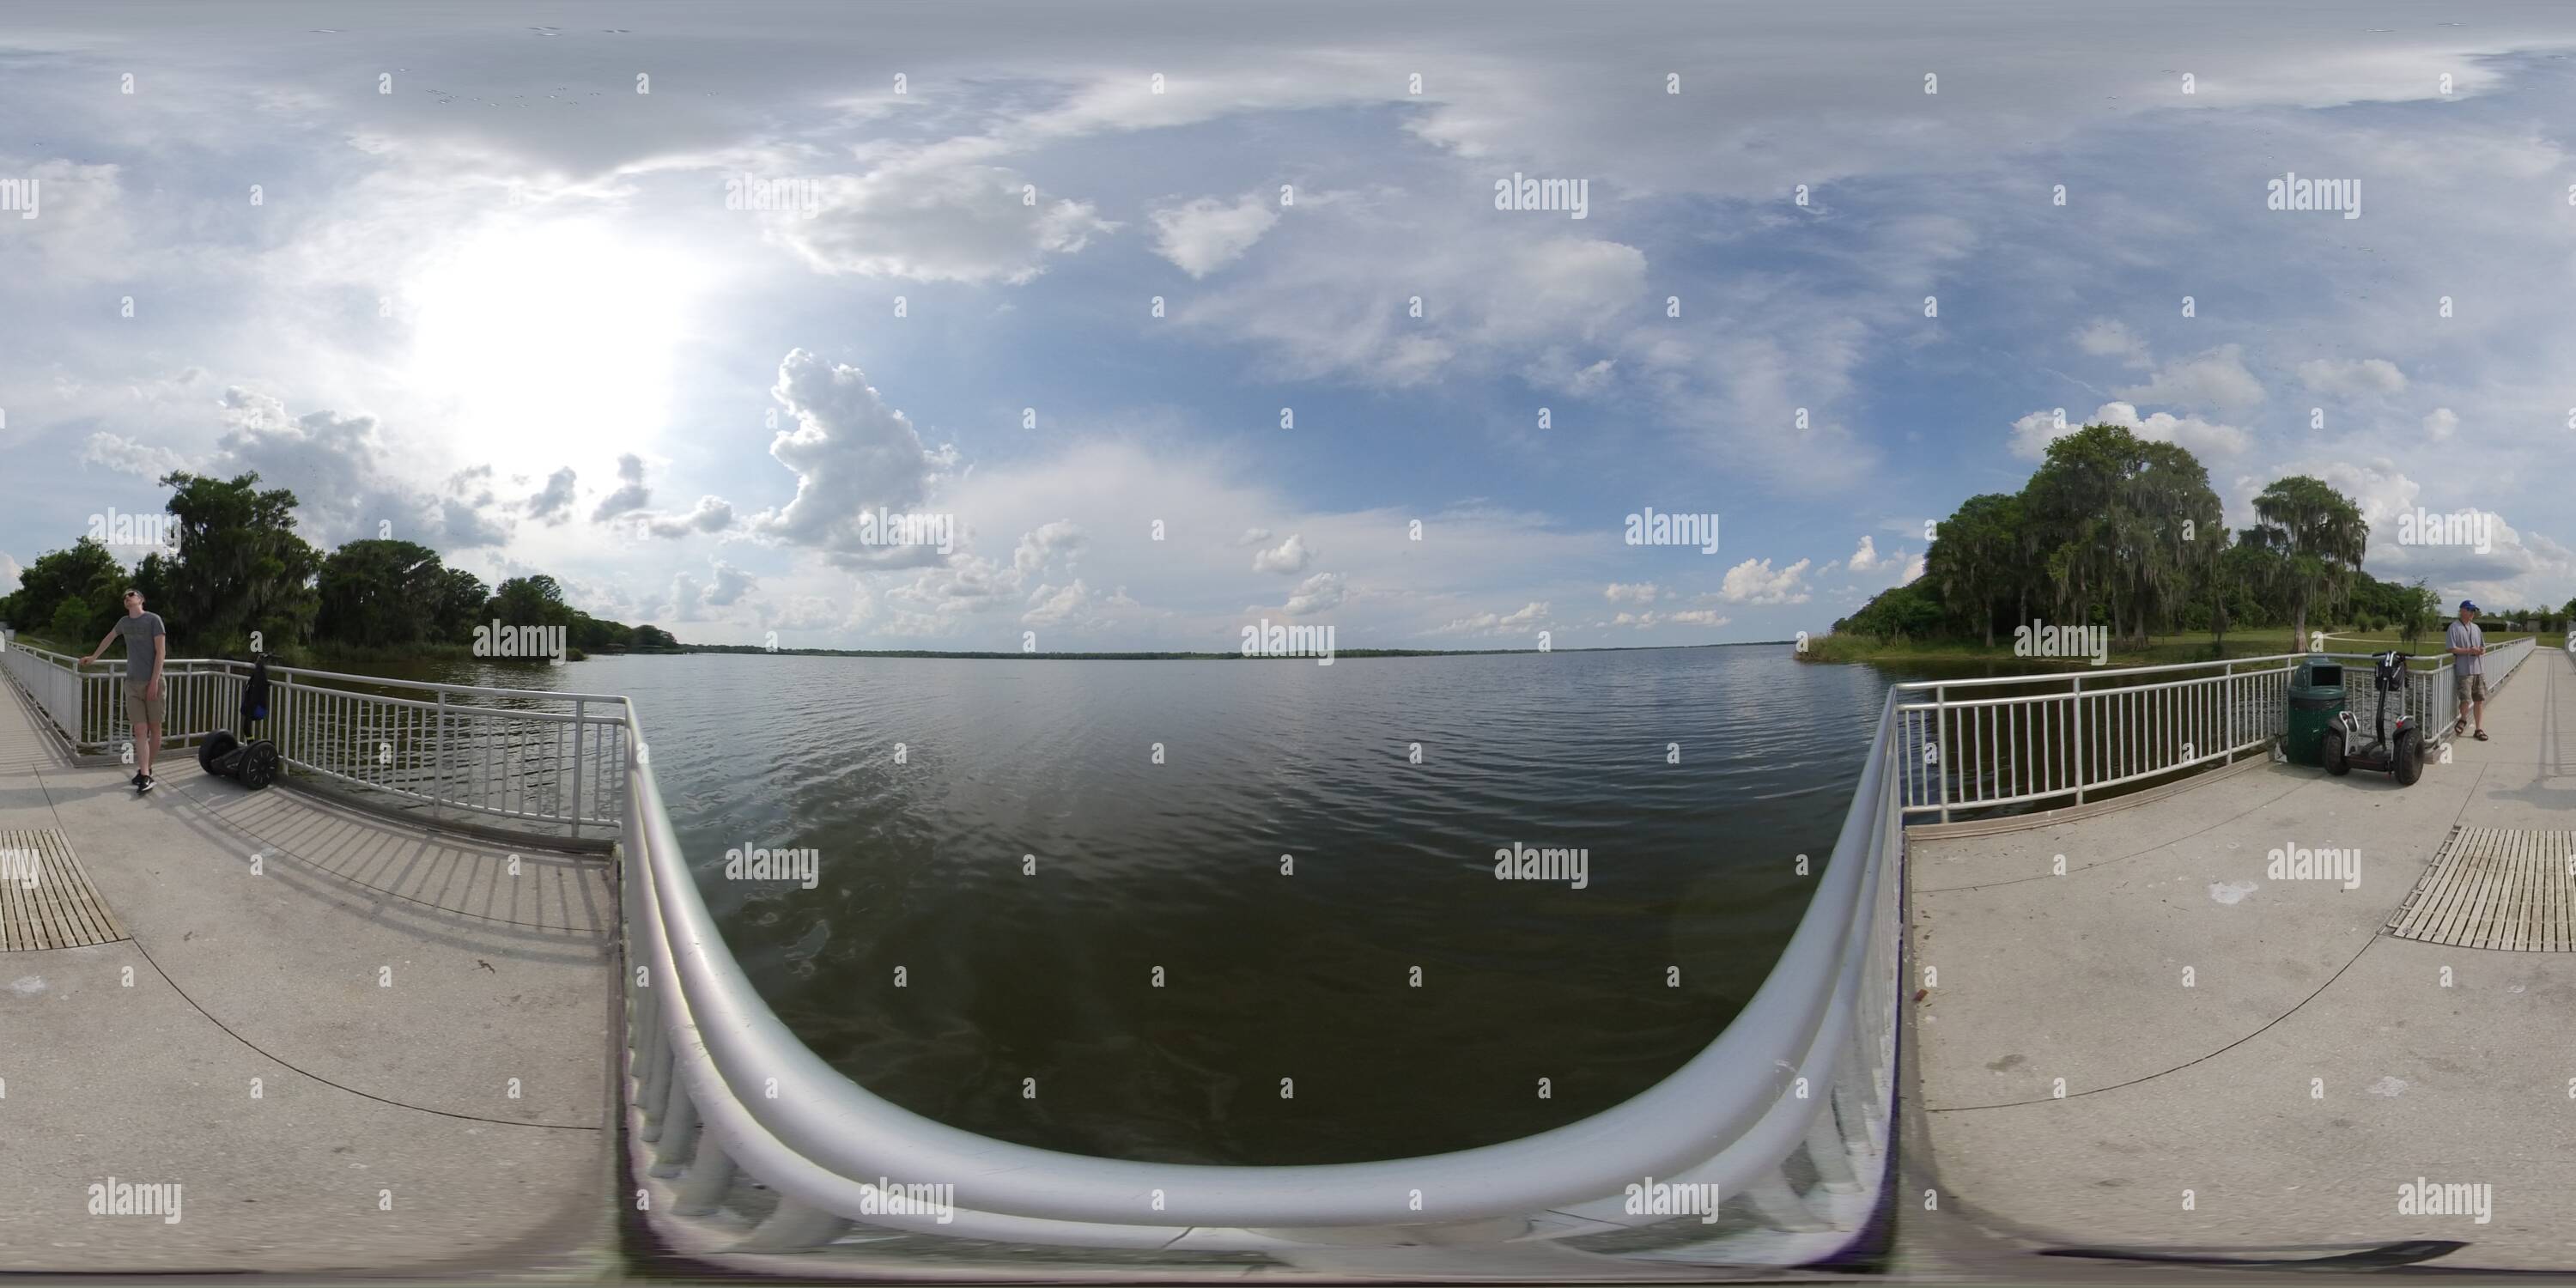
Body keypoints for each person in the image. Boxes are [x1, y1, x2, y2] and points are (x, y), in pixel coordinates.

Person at [81, 589, 167, 792]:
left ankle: (147, 770)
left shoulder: (153, 620)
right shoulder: (124, 622)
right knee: (139, 729)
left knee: (155, 728)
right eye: (124, 597)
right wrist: (93, 657)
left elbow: (161, 652)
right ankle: (145, 774)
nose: (127, 598)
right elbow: (109, 638)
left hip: (153, 681)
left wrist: (154, 681)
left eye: (131, 594)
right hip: (132, 683)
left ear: (141, 599)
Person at [2445, 598, 2487, 743]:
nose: (2472, 613)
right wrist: (2469, 651)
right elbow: (2451, 648)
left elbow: (2483, 647)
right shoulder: (2454, 627)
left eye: (2473, 610)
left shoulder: (2476, 628)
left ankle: (2478, 728)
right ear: (2462, 610)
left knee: (2479, 700)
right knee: (2465, 699)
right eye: (2469, 610)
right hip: (2464, 670)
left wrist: (2481, 651)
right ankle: (2463, 719)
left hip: (2478, 670)